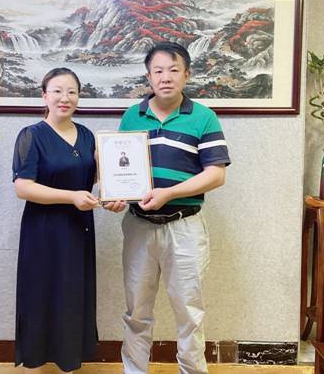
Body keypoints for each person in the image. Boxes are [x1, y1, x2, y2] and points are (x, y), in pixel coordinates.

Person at [105, 42, 230, 374]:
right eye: (158, 71)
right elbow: (120, 169)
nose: (165, 77)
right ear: (148, 77)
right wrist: (116, 196)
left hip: (184, 227)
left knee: (189, 312)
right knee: (136, 311)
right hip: (139, 226)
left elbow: (216, 175)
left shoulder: (203, 117)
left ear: (186, 75)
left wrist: (169, 193)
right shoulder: (132, 116)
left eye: (174, 70)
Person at [12, 68, 99, 374]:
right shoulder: (31, 135)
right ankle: (39, 359)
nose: (65, 98)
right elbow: (23, 187)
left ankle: (69, 362)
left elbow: (94, 178)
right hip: (44, 230)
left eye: (72, 92)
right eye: (58, 91)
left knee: (73, 294)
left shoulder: (87, 136)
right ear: (44, 96)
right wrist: (71, 196)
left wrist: (115, 194)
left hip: (79, 227)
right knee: (44, 292)